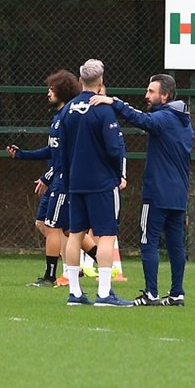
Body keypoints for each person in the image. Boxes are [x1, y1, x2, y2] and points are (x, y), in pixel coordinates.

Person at [90, 73, 194, 306]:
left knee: (149, 242)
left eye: (151, 91)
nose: (146, 95)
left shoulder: (165, 118)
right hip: (178, 194)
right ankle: (177, 293)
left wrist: (113, 102)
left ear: (164, 96)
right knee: (176, 245)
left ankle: (151, 293)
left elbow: (141, 120)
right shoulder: (184, 121)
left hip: (158, 192)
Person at [6, 70, 99, 287]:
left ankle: (50, 276)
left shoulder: (68, 116)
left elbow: (64, 156)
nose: (48, 93)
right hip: (58, 178)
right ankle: (103, 262)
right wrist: (22, 155)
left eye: (52, 89)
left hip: (64, 181)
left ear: (63, 91)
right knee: (60, 227)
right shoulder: (58, 118)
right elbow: (53, 151)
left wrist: (48, 177)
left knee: (53, 227)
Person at [59, 59, 131, 307]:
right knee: (107, 234)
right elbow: (114, 148)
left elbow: (62, 149)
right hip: (100, 182)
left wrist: (68, 179)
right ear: (101, 82)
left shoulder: (68, 109)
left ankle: (75, 293)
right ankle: (103, 293)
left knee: (75, 234)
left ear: (80, 81)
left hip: (75, 181)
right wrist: (117, 174)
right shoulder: (102, 109)